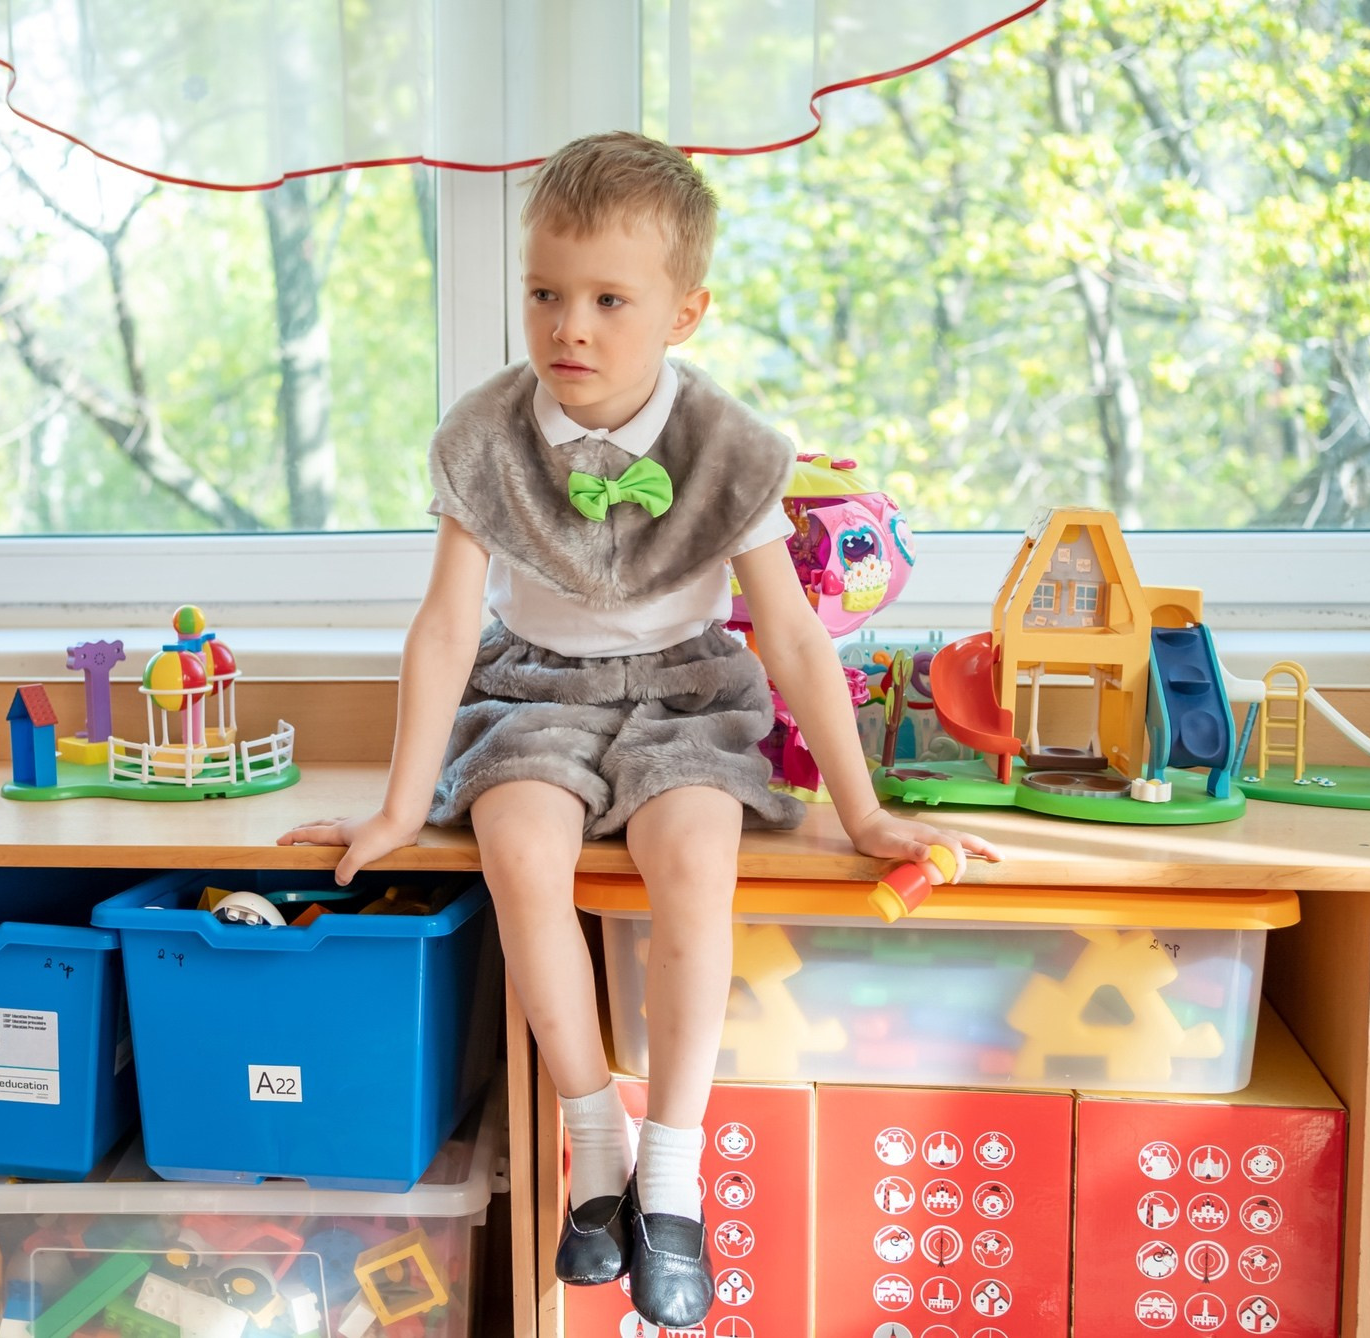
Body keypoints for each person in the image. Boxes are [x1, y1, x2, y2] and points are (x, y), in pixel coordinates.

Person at [280, 130, 1000, 1327]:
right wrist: (402, 807)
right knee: (518, 852)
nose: (572, 326)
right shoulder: (484, 437)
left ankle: (673, 1174)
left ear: (684, 312)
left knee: (694, 862)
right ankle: (592, 1141)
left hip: (687, 699)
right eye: (546, 294)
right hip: (535, 694)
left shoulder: (730, 447)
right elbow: (447, 629)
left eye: (610, 300)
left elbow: (796, 637)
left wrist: (863, 808)